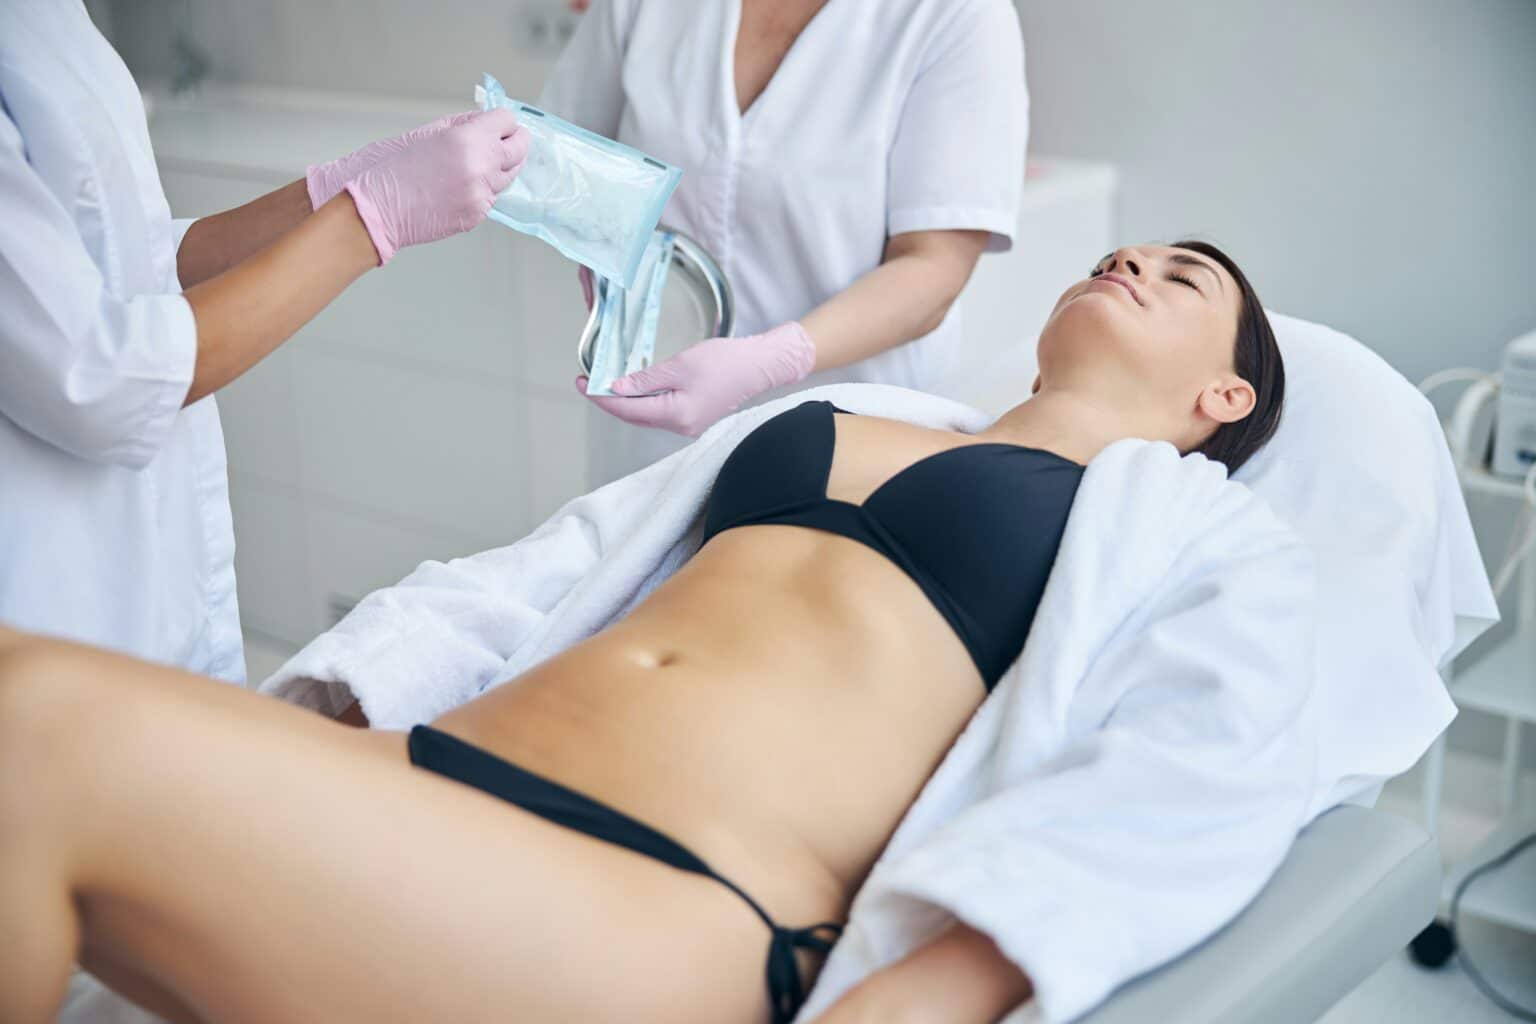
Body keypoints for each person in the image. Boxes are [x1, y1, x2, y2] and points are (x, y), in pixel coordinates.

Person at [0, 241, 1289, 1024]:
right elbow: (548, 567)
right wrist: (332, 704)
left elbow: (1207, 758)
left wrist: (934, 986)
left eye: (1182, 279)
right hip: (437, 772)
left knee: (32, 725)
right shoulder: (856, 409)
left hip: (667, 890)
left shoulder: (1186, 531)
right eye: (1124, 252)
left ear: (1219, 397)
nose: (1130, 264)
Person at [0, 0, 529, 685]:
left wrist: (328, 193)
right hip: (58, 605)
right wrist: (368, 217)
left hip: (144, 585)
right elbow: (99, 373)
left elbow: (129, 258)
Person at [541, 0, 1029, 483]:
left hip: (846, 442)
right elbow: (566, 153)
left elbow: (933, 266)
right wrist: (587, 225)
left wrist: (775, 358)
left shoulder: (958, 15)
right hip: (650, 429)